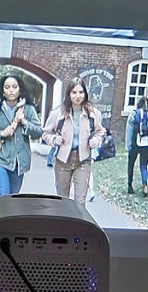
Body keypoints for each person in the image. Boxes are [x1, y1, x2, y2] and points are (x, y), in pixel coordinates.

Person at [41, 77, 105, 205]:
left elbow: (100, 132)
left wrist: (95, 140)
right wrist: (54, 139)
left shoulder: (93, 113)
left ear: (85, 94)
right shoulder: (58, 113)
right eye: (74, 92)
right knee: (62, 200)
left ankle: (79, 225)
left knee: (80, 201)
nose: (78, 96)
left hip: (83, 159)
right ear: (69, 94)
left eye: (81, 92)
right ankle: (63, 225)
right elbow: (46, 133)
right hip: (63, 160)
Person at [0, 74, 44, 197]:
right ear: (2, 91)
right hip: (0, 158)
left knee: (13, 198)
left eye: (14, 87)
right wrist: (0, 134)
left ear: (20, 89)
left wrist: (24, 122)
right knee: (2, 195)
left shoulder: (28, 109)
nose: (11, 90)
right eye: (7, 87)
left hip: (19, 161)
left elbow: (39, 131)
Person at [125, 96, 148, 197]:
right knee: (144, 166)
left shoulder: (134, 114)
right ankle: (145, 185)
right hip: (147, 144)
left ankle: (130, 186)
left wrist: (128, 144)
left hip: (135, 143)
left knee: (131, 165)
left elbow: (129, 130)